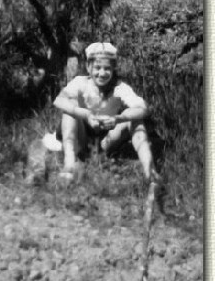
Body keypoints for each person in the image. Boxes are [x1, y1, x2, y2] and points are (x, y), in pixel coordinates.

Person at [53, 42, 158, 183]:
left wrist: (118, 118)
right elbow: (59, 101)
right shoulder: (80, 82)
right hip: (82, 139)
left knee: (135, 119)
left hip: (106, 141)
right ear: (88, 67)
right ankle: (69, 164)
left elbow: (143, 108)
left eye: (107, 68)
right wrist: (86, 115)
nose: (102, 73)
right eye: (97, 67)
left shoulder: (119, 87)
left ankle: (150, 170)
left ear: (113, 68)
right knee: (69, 113)